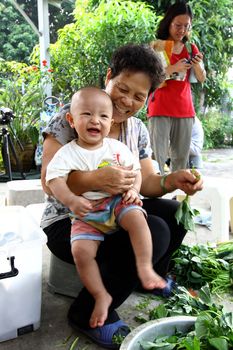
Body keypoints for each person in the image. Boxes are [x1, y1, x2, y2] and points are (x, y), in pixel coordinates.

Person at [40, 44, 203, 349]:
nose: (127, 101)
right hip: (73, 219)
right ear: (109, 77)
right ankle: (86, 311)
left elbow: (147, 183)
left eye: (139, 96)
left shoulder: (137, 130)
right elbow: (49, 181)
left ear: (149, 98)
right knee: (155, 229)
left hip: (114, 211)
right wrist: (95, 179)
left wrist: (172, 181)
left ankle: (146, 277)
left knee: (175, 215)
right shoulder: (73, 116)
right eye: (123, 89)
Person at [45, 86, 166, 329]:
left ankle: (145, 268)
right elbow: (53, 180)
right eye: (87, 114)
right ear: (71, 120)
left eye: (102, 116)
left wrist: (133, 190)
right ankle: (100, 295)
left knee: (139, 220)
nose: (95, 121)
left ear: (110, 123)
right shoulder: (68, 153)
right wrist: (71, 200)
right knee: (81, 252)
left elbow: (136, 173)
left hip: (116, 203)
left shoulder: (116, 149)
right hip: (86, 212)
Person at [147, 1, 206, 175]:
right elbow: (151, 78)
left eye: (186, 26)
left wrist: (196, 65)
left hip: (184, 109)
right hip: (160, 107)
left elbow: (202, 78)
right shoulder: (157, 46)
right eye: (177, 25)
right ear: (169, 23)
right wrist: (174, 68)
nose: (182, 30)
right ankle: (154, 197)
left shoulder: (191, 48)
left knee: (181, 160)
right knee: (157, 158)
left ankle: (178, 199)